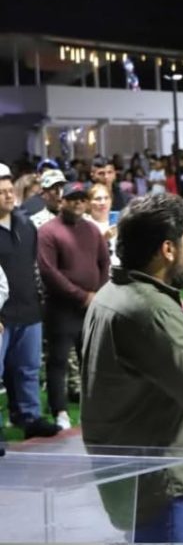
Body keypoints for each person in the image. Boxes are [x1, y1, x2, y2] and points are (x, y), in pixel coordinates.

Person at [80, 193, 183, 543]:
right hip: (163, 481)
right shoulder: (150, 310)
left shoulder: (112, 293)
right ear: (168, 249)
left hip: (137, 475)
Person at [37, 181, 109, 431]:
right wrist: (82, 296)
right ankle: (60, 412)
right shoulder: (49, 231)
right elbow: (49, 272)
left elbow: (104, 262)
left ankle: (93, 408)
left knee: (90, 359)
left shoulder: (92, 229)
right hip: (61, 308)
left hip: (91, 306)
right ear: (62, 201)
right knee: (58, 361)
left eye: (82, 199)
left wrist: (98, 293)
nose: (78, 203)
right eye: (73, 199)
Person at [0, 163, 61, 438]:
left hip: (28, 309)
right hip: (1, 314)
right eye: (1, 192)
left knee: (29, 368)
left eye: (9, 190)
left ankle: (30, 417)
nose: (8, 195)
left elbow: (34, 266)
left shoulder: (25, 224)